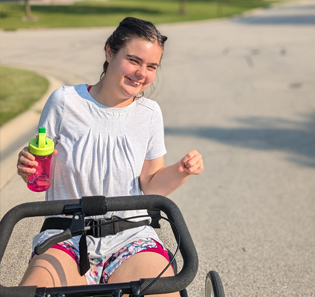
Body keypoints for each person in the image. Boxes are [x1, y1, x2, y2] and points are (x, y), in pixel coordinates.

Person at [17, 17, 203, 296]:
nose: (142, 73)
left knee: (163, 290)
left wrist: (182, 171)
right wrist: (28, 166)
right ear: (109, 52)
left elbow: (150, 185)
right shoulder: (65, 102)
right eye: (133, 60)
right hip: (67, 234)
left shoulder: (149, 114)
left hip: (130, 235)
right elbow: (40, 165)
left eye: (151, 66)